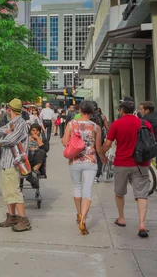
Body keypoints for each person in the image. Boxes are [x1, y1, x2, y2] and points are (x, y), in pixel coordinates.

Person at [101, 100, 153, 238]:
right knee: (141, 194)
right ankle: (141, 224)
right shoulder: (145, 124)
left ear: (122, 110)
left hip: (122, 163)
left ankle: (121, 218)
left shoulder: (117, 124)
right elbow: (151, 141)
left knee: (119, 192)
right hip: (141, 164)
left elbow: (108, 144)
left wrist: (101, 153)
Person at [62, 101, 102, 235]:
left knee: (77, 186)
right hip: (91, 161)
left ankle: (79, 213)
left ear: (80, 110)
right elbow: (98, 148)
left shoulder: (71, 124)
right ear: (92, 112)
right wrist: (104, 157)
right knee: (88, 189)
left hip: (75, 161)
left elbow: (64, 142)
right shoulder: (96, 127)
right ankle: (83, 220)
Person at [0, 99, 32, 232]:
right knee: (7, 191)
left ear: (10, 109)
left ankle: (23, 220)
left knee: (14, 191)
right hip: (6, 161)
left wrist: (1, 141)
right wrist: (4, 134)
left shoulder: (20, 123)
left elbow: (10, 140)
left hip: (13, 162)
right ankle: (12, 217)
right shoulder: (12, 123)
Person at [139, 101, 157, 194]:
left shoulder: (146, 118)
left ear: (147, 110)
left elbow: (139, 129)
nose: (140, 111)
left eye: (141, 109)